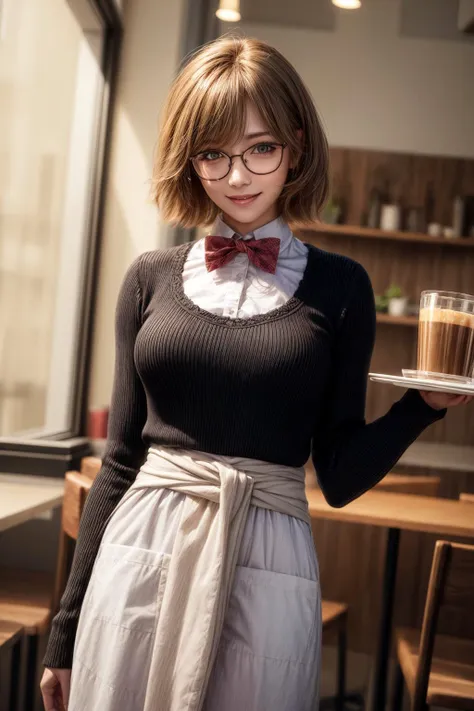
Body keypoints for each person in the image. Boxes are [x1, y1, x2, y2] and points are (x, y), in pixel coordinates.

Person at [40, 35, 472, 711]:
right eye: (213, 153)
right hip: (140, 549)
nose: (237, 177)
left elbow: (338, 472)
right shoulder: (149, 278)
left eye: (260, 148)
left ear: (296, 145)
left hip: (266, 558)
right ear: (189, 158)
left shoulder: (342, 287)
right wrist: (62, 632)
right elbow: (120, 459)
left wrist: (422, 407)